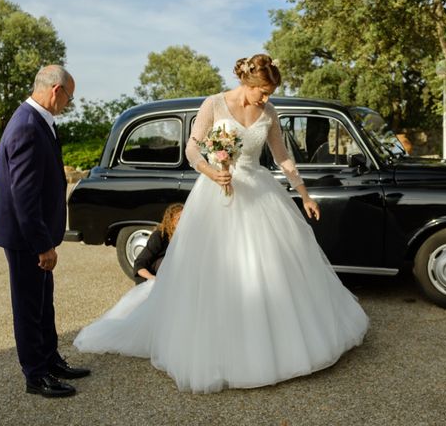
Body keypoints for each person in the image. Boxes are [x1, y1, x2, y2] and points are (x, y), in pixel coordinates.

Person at [74, 54, 369, 393]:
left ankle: (276, 341)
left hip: (259, 192)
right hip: (216, 192)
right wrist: (212, 171)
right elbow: (193, 148)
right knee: (218, 270)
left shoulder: (269, 112)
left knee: (269, 267)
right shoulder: (214, 104)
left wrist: (304, 194)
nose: (266, 98)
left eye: (270, 92)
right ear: (247, 83)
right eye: (262, 91)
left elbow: (282, 156)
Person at [0, 65, 90, 398]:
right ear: (56, 91)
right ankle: (36, 375)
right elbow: (24, 194)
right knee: (29, 307)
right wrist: (42, 245)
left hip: (34, 232)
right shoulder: (27, 127)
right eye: (69, 98)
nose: (68, 104)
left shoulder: (38, 122)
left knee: (44, 302)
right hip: (24, 237)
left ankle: (51, 360)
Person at [133, 203, 184, 284]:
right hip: (153, 277)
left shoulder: (186, 236)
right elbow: (139, 264)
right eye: (180, 219)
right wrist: (153, 278)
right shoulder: (159, 235)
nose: (184, 221)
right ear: (171, 220)